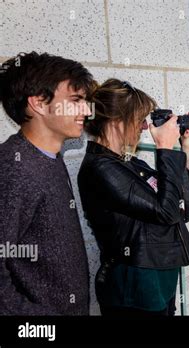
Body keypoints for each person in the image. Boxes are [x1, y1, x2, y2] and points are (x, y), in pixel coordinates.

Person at [78, 78, 189, 316]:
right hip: (133, 289)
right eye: (139, 119)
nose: (145, 127)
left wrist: (188, 151)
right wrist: (164, 147)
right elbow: (166, 212)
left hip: (157, 279)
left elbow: (174, 201)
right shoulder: (101, 168)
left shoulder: (128, 162)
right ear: (115, 121)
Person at [0, 51, 94, 315]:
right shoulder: (13, 169)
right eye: (76, 100)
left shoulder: (50, 156)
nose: (87, 110)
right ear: (38, 103)